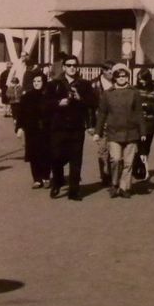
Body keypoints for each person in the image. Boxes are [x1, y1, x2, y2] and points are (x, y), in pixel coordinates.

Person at [44, 54, 97, 200]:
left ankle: (74, 190)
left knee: (76, 159)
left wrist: (81, 99)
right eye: (69, 65)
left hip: (76, 126)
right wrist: (57, 103)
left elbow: (93, 102)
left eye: (74, 65)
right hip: (58, 126)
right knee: (56, 156)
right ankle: (58, 181)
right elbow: (45, 104)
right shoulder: (54, 84)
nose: (72, 68)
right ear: (64, 67)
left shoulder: (84, 84)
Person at [94, 65, 145, 198]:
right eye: (118, 76)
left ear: (127, 77)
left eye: (124, 76)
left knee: (128, 162)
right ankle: (114, 183)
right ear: (114, 77)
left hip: (131, 132)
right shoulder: (108, 93)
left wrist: (143, 132)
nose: (121, 78)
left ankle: (124, 187)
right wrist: (97, 132)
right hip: (114, 132)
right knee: (115, 159)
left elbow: (139, 113)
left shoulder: (134, 92)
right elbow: (102, 114)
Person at [12, 70, 51, 188]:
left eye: (39, 81)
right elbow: (21, 114)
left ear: (44, 82)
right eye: (34, 81)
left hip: (46, 130)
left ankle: (46, 177)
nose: (36, 83)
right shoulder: (27, 97)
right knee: (34, 155)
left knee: (46, 154)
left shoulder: (49, 96)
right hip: (32, 130)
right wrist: (19, 128)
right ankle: (37, 179)